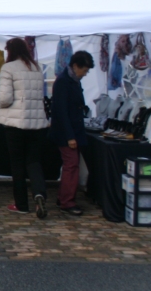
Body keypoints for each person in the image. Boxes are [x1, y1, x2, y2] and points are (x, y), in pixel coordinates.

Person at [0, 38, 50, 218]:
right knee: (34, 161)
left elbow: (5, 99)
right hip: (37, 123)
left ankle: (22, 204)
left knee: (17, 164)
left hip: (16, 123)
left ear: (10, 50)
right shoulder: (36, 67)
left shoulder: (9, 68)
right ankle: (39, 193)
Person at [49, 50, 94, 216]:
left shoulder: (73, 80)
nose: (85, 73)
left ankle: (64, 197)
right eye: (84, 70)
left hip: (73, 131)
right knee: (71, 166)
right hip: (66, 133)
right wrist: (69, 136)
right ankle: (67, 201)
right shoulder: (63, 82)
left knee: (71, 166)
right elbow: (61, 111)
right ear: (75, 66)